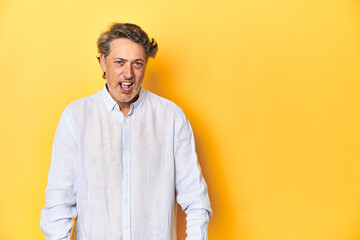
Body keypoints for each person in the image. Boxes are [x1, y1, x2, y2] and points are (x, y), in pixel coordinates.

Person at [40, 23, 212, 240]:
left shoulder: (172, 118)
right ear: (103, 61)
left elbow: (196, 200)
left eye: (137, 63)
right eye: (119, 62)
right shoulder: (75, 117)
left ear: (146, 64)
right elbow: (58, 203)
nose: (128, 74)